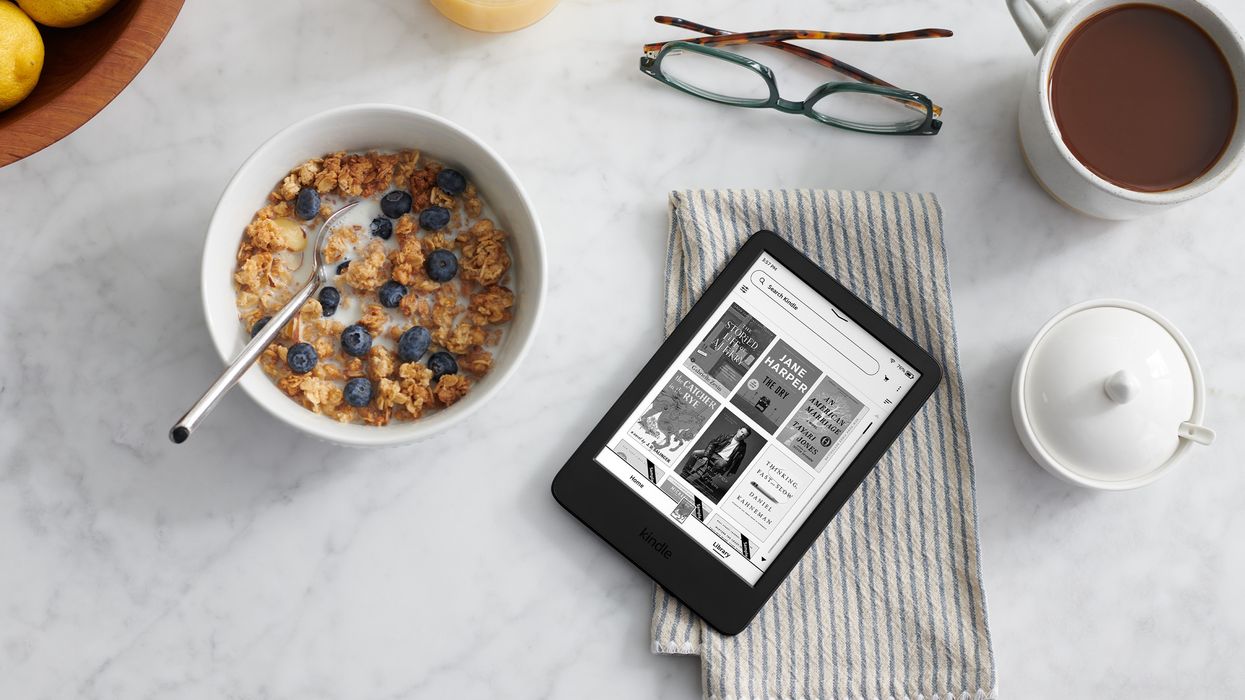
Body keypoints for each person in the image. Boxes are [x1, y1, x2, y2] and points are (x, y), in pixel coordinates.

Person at [683, 426, 751, 484]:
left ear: (745, 437)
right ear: (738, 430)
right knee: (695, 453)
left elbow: (739, 460)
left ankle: (703, 479)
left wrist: (732, 471)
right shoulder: (726, 436)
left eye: (744, 435)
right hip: (713, 453)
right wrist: (706, 456)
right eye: (742, 432)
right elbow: (712, 444)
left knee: (721, 464)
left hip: (723, 460)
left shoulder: (742, 447)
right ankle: (685, 472)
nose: (742, 435)